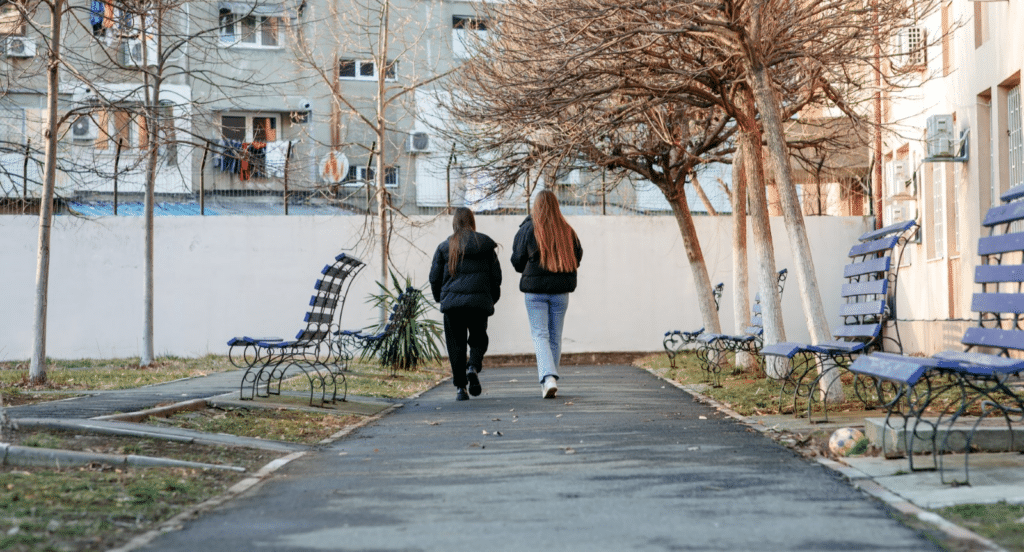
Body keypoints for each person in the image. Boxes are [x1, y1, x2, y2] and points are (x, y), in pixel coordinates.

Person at [511, 190, 583, 398]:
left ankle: (548, 378)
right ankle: (549, 380)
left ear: (536, 206)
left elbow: (517, 261)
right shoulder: (567, 230)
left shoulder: (528, 229)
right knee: (555, 337)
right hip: (561, 291)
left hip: (535, 292)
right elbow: (577, 257)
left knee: (540, 334)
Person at [429, 207, 502, 401]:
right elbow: (496, 277)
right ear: (472, 221)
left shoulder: (446, 247)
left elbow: (434, 278)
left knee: (456, 345)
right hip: (478, 303)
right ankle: (473, 366)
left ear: (455, 222)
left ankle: (461, 388)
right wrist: (491, 298)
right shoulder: (484, 245)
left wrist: (441, 298)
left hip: (453, 306)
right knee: (479, 339)